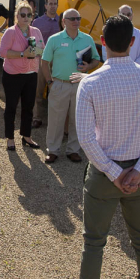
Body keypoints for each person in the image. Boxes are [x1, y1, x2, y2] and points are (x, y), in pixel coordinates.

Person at [76, 14, 140, 279]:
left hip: (103, 172)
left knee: (94, 242)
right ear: (132, 42)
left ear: (102, 42)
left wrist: (114, 173)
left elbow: (86, 137)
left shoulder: (91, 83)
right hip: (138, 175)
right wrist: (138, 171)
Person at [41, 9, 99, 164]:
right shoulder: (55, 39)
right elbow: (45, 62)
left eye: (78, 18)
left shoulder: (87, 39)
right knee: (55, 120)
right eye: (72, 18)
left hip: (80, 85)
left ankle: (73, 150)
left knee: (77, 120)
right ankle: (52, 150)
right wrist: (49, 82)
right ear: (63, 21)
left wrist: (88, 67)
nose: (76, 21)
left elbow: (96, 60)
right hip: (59, 84)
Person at [0, 1, 44, 150]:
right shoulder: (10, 32)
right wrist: (22, 54)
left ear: (32, 16)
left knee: (28, 107)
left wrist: (35, 52)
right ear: (17, 16)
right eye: (22, 14)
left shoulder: (36, 31)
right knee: (11, 107)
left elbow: (42, 50)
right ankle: (10, 138)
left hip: (31, 74)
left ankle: (26, 136)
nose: (26, 17)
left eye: (29, 15)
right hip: (13, 74)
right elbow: (3, 53)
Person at [31, 0, 60, 128]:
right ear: (46, 6)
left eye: (55, 4)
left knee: (56, 91)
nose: (53, 6)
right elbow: (32, 41)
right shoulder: (37, 22)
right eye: (50, 4)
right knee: (38, 89)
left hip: (58, 61)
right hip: (42, 60)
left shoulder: (62, 21)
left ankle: (55, 119)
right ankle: (37, 117)